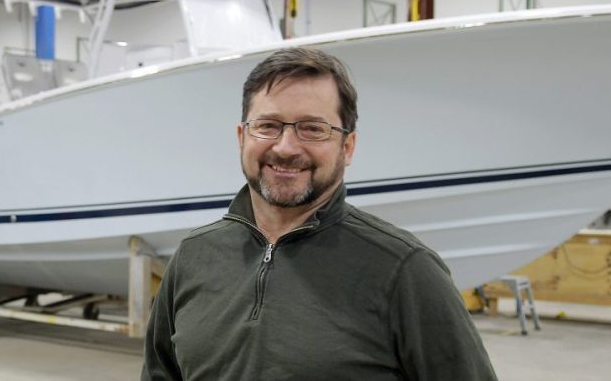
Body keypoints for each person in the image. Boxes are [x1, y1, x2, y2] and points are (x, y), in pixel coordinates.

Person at [142, 47, 497, 380]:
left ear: (348, 146)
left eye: (312, 128)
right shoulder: (194, 256)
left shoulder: (405, 270)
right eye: (268, 125)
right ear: (242, 137)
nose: (285, 147)